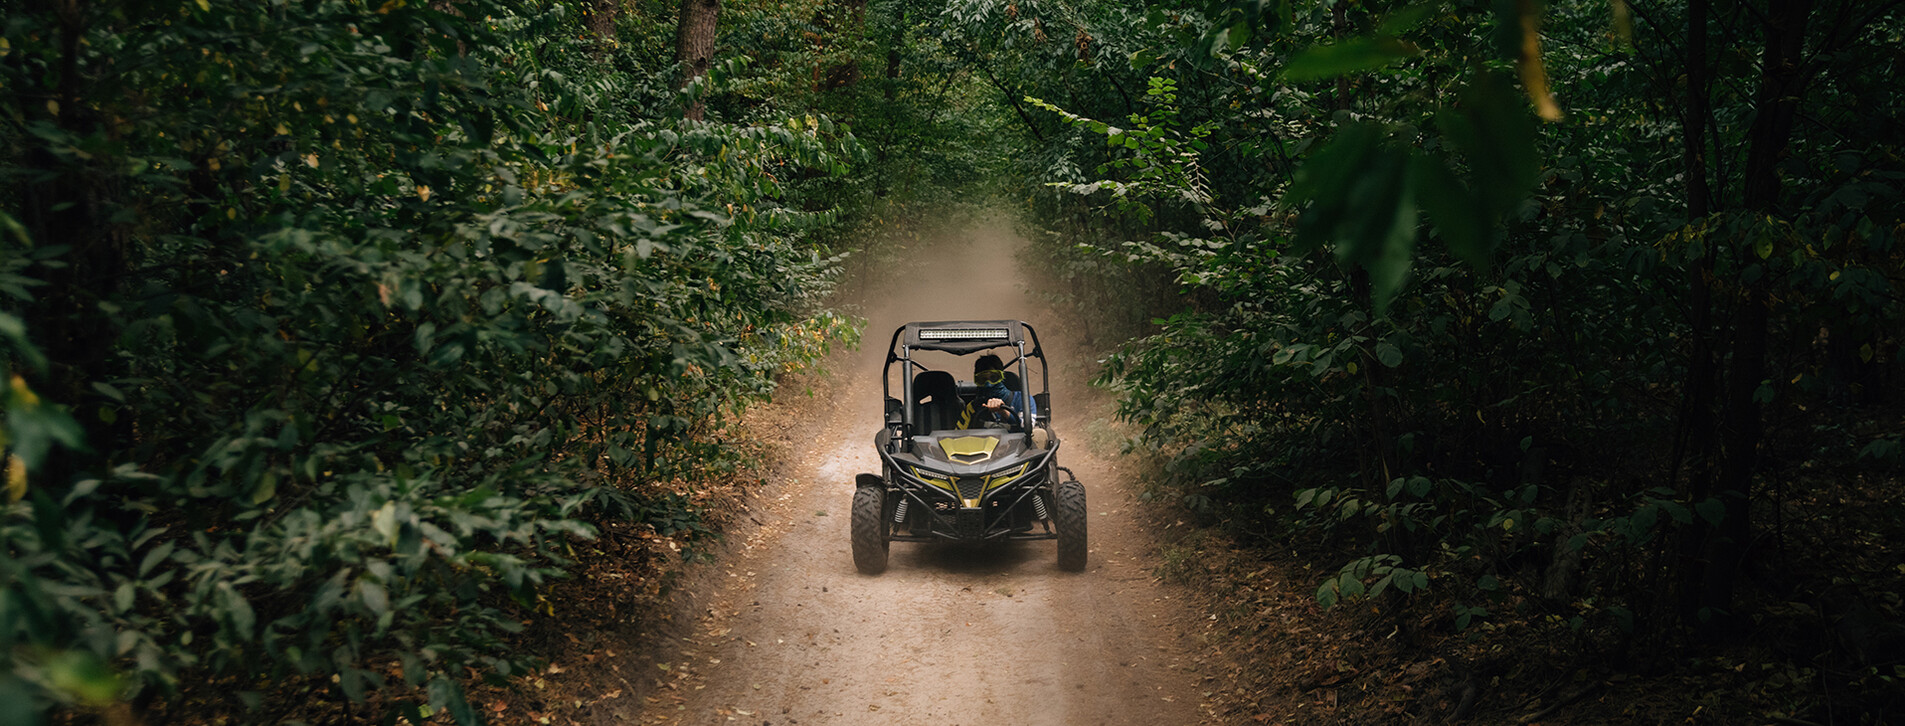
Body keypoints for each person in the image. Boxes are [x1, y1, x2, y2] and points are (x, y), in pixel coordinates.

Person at [958, 354, 1032, 431]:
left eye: (993, 378)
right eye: (982, 379)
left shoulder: (1023, 400)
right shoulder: (973, 407)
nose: (988, 384)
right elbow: (957, 436)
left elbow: (1029, 431)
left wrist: (1003, 412)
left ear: (1002, 377)